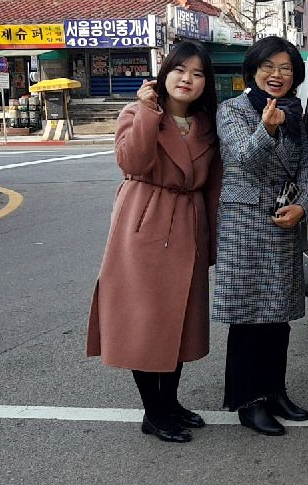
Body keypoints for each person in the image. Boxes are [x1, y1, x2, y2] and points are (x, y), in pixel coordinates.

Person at [86, 41, 221, 443]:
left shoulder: (205, 125)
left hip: (189, 222)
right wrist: (146, 111)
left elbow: (212, 187)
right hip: (144, 221)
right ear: (165, 74)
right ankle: (153, 411)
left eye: (198, 74)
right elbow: (132, 162)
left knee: (179, 321)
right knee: (146, 321)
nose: (188, 80)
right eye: (181, 70)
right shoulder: (139, 112)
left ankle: (171, 402)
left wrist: (210, 241)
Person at [213, 36, 308, 437]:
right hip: (244, 225)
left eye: (286, 68)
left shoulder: (296, 115)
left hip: (284, 221)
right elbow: (242, 158)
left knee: (278, 316)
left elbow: (307, 165)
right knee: (249, 318)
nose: (277, 75)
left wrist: (304, 206)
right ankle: (247, 401)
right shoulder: (232, 110)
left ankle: (274, 392)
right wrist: (267, 131)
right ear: (252, 72)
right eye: (268, 67)